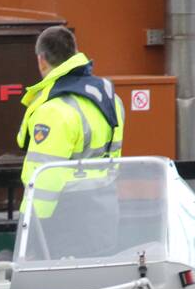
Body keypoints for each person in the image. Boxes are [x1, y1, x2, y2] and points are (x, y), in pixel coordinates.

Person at [16, 26, 126, 219]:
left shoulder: (53, 110)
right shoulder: (111, 100)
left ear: (41, 60)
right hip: (105, 211)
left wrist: (31, 225)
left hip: (65, 219)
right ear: (75, 54)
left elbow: (46, 178)